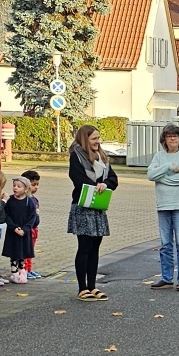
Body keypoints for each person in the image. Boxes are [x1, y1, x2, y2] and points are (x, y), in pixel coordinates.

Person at [67, 125, 117, 301]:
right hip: (83, 206)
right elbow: (78, 179)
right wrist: (96, 185)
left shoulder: (102, 158)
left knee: (95, 247)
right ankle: (82, 288)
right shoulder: (76, 156)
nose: (98, 142)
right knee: (85, 247)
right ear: (84, 139)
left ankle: (93, 287)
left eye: (98, 138)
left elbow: (113, 179)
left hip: (98, 206)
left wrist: (106, 184)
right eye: (94, 139)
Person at [146, 123, 179, 290]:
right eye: (169, 136)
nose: (172, 138)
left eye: (175, 135)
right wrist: (168, 167)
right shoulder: (159, 156)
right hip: (163, 205)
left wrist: (162, 178)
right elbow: (150, 175)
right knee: (165, 244)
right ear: (164, 139)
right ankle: (167, 278)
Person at [1, 177, 39, 284]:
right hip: (13, 231)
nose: (15, 188)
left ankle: (22, 270)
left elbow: (32, 217)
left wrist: (25, 229)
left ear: (26, 189)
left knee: (22, 252)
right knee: (14, 252)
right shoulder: (10, 201)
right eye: (14, 185)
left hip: (24, 232)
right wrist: (14, 227)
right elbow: (7, 215)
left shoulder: (29, 202)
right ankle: (14, 272)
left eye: (18, 186)